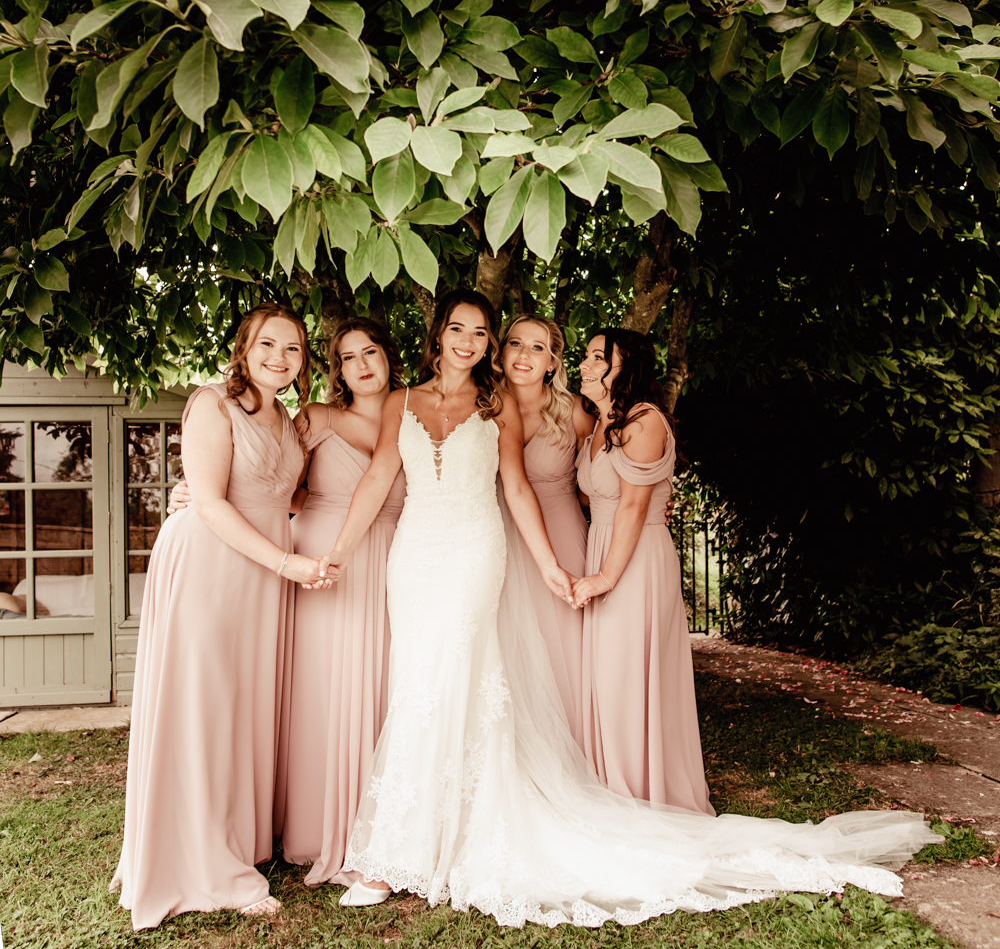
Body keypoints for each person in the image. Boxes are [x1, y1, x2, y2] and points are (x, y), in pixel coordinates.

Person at [318, 290, 940, 927]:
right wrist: (336, 552)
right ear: (440, 335)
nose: (469, 342)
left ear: (488, 344)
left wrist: (551, 565)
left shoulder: (495, 404)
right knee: (418, 683)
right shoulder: (403, 401)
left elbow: (518, 488)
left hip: (478, 554)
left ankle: (405, 854)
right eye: (459, 329)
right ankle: (412, 839)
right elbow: (377, 478)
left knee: (456, 678)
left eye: (481, 332)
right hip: (415, 559)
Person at [112, 304, 330, 930]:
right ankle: (202, 861)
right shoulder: (212, 402)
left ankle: (233, 837)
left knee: (241, 705)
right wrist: (286, 564)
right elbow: (207, 498)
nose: (279, 359)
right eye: (268, 344)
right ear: (244, 346)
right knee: (203, 702)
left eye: (293, 350)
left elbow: (282, 495)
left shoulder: (290, 420)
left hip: (259, 573)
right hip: (213, 564)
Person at [276, 318, 408, 886]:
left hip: (394, 562)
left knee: (383, 688)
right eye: (348, 356)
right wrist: (194, 491)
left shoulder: (420, 416)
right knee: (322, 687)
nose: (361, 364)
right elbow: (275, 482)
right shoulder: (317, 418)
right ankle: (313, 825)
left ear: (388, 356)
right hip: (321, 558)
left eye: (370, 351)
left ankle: (379, 826)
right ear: (337, 369)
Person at [572, 328, 713, 814]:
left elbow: (633, 506)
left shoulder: (644, 420)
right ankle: (611, 791)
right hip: (604, 547)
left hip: (634, 560)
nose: (586, 365)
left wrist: (606, 577)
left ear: (625, 365)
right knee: (607, 678)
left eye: (597, 357)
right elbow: (596, 496)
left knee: (628, 676)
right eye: (586, 356)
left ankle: (640, 796)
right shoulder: (598, 423)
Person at [498, 314, 592, 745]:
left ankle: (576, 745)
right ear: (501, 353)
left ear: (553, 362)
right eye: (516, 343)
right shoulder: (480, 405)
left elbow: (606, 471)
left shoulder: (573, 411)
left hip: (561, 532)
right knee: (505, 644)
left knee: (564, 644)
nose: (524, 355)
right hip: (498, 536)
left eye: (538, 348)